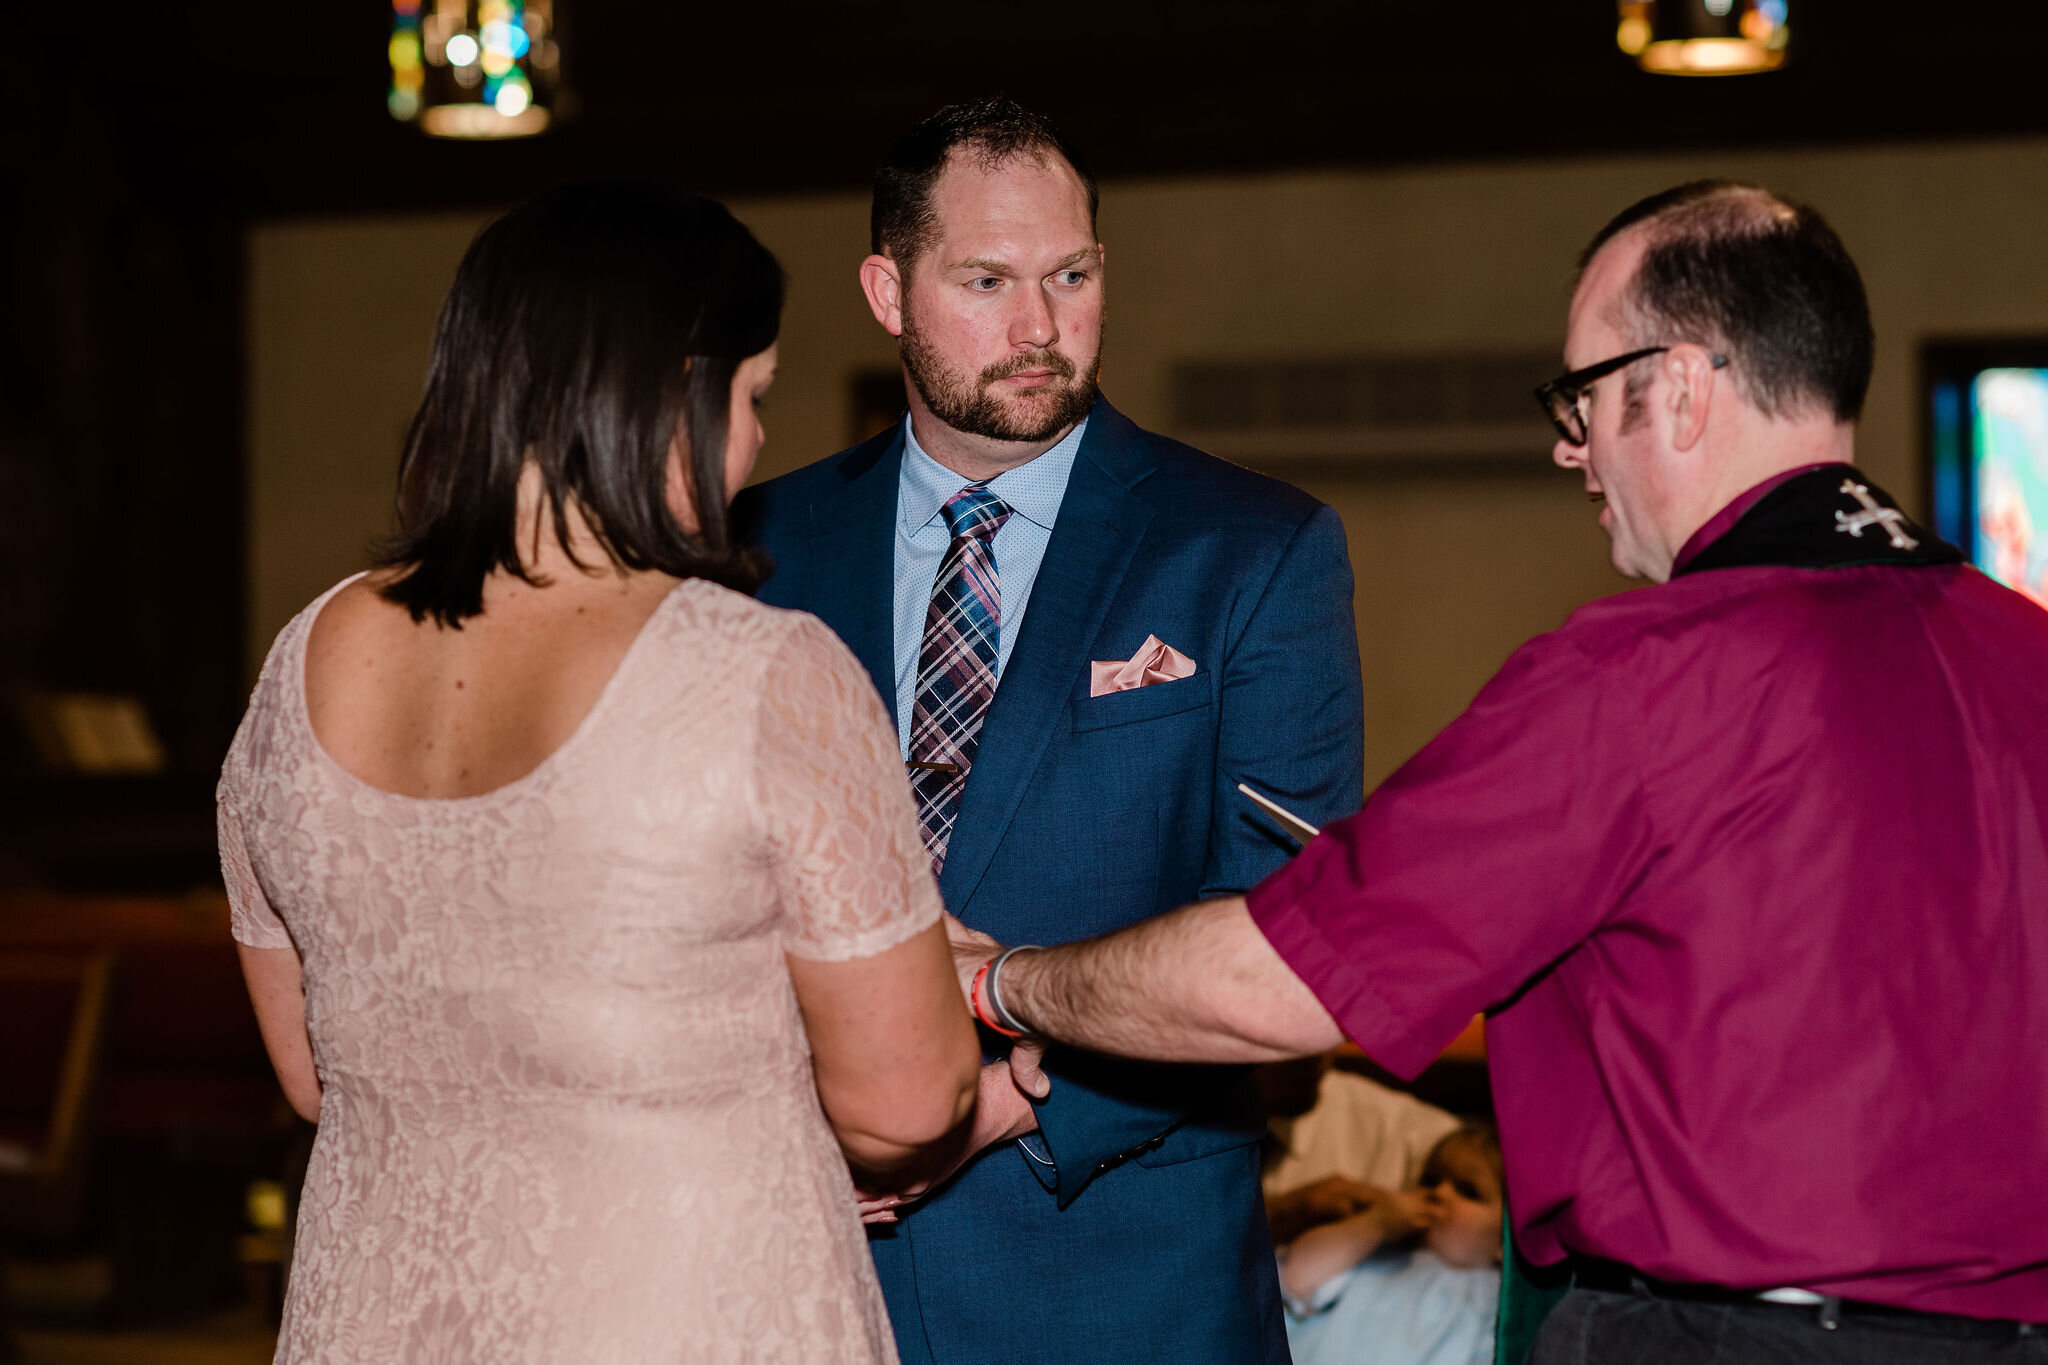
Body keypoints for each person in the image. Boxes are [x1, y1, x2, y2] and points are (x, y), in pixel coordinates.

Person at [948, 180, 2048, 1363]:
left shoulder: (1644, 674)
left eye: (1579, 397)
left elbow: (1282, 986)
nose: (1565, 446)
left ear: (1675, 390)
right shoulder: (2022, 647)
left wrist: (1003, 981)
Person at [219, 181, 982, 1363]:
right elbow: (905, 1105)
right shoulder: (759, 670)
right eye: (750, 397)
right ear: (667, 388)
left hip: (377, 1317)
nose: (757, 442)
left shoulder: (302, 660)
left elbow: (318, 1076)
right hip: (679, 1312)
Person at [734, 98, 1363, 1365]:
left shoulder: (1250, 547)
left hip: (1116, 1275)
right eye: (985, 281)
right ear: (885, 289)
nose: (1038, 330)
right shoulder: (755, 546)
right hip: (793, 1256)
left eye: (1069, 275)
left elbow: (1293, 930)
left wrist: (994, 1100)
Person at [1279, 1126, 1503, 1365]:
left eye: (1468, 1191)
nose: (1440, 1191)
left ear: (1505, 1242)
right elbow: (1296, 1279)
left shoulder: (1498, 1304)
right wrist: (1377, 1222)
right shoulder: (1374, 1252)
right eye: (1430, 1179)